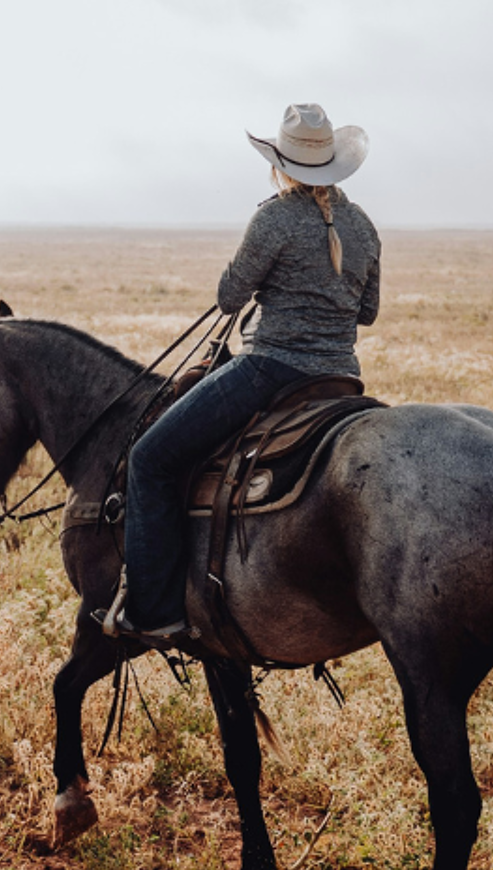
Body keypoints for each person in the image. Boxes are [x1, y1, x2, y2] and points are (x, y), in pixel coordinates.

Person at [114, 103, 382, 645]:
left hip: (272, 369)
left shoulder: (274, 217)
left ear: (281, 163)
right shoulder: (364, 225)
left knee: (151, 458)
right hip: (342, 380)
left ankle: (155, 610)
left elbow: (229, 297)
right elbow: (368, 311)